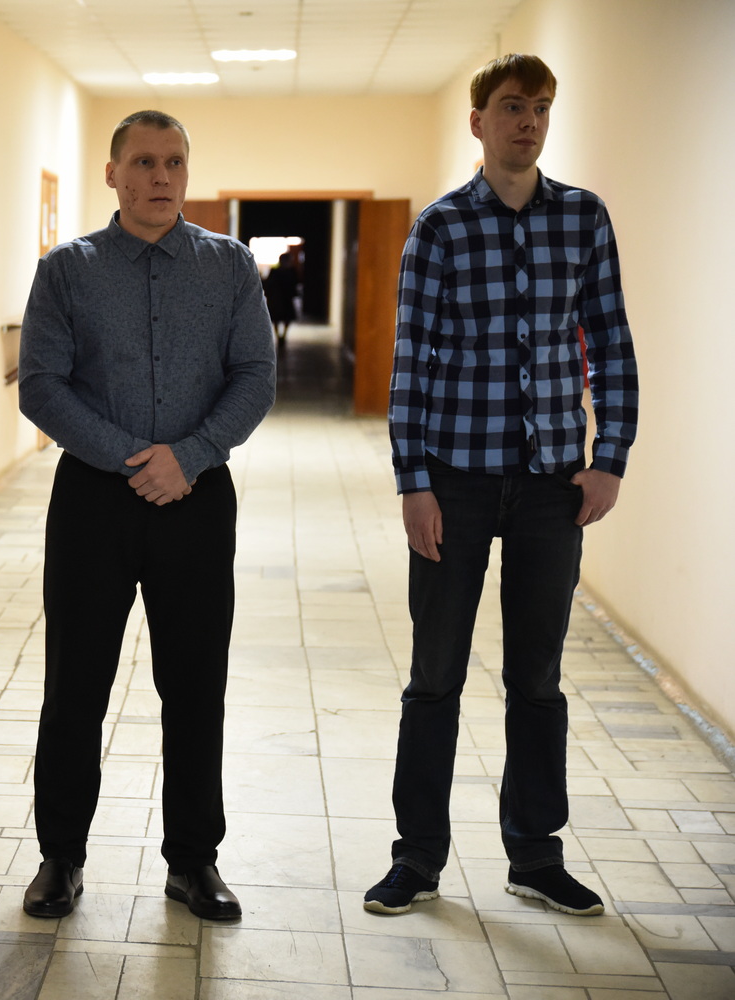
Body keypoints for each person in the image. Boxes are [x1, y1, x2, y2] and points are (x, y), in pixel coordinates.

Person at [367, 53, 637, 917]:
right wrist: (414, 481)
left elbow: (612, 343)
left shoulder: (584, 219)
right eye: (514, 106)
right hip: (456, 481)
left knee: (538, 680)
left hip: (554, 487)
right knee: (434, 677)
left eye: (542, 108)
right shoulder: (440, 228)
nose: (529, 122)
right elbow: (411, 361)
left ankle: (535, 855)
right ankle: (418, 858)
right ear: (479, 121)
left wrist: (610, 456)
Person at [17, 110, 275, 921]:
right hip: (94, 499)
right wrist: (135, 457)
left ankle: (194, 861)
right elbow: (41, 385)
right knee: (75, 684)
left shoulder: (229, 267)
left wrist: (188, 455)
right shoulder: (68, 270)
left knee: (195, 686)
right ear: (113, 173)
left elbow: (256, 375)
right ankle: (60, 857)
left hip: (197, 498)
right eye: (142, 162)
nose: (160, 176)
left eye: (173, 162)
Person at [263, 249, 300, 341]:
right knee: (279, 318)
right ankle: (281, 336)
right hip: (279, 297)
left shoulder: (287, 271)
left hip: (282, 297)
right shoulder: (285, 271)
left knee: (281, 318)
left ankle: (281, 336)